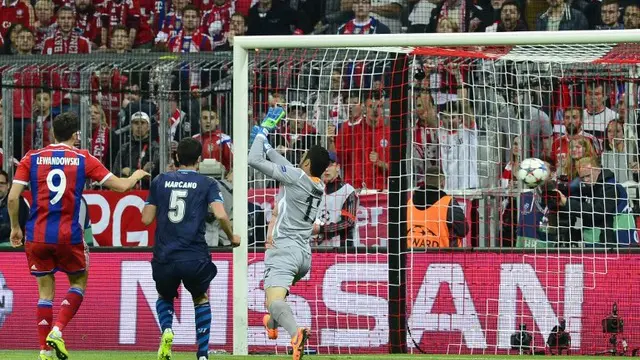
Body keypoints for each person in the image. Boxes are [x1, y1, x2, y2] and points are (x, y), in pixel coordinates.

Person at [7, 112, 150, 360]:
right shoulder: (83, 158)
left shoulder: (32, 157)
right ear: (76, 135)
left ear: (52, 134)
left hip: (37, 236)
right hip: (68, 236)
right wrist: (136, 176)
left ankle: (44, 350)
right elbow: (121, 186)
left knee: (44, 292)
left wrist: (15, 228)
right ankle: (58, 330)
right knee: (78, 282)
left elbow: (12, 197)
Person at [141, 138, 240, 360]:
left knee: (164, 296)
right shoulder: (208, 183)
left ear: (176, 158)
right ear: (199, 160)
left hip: (165, 255)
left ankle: (167, 330)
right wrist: (232, 236)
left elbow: (146, 219)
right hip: (194, 256)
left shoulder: (160, 180)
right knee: (200, 298)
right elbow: (221, 214)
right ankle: (202, 354)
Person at [247, 107, 330, 360]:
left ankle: (295, 334)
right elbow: (289, 169)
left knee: (273, 302)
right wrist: (270, 148)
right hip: (304, 255)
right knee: (274, 303)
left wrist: (262, 135)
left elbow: (253, 160)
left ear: (306, 163)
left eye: (302, 157)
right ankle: (272, 325)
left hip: (283, 250)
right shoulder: (319, 185)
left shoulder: (296, 178)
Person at [407, 167, 468, 248]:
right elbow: (463, 230)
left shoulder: (409, 203)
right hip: (443, 257)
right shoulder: (448, 203)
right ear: (442, 182)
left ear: (425, 181)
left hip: (414, 257)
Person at [314, 153, 359, 247]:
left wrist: (320, 229)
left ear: (338, 167)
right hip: (317, 248)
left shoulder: (348, 191)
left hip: (342, 250)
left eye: (329, 165)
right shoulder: (316, 190)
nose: (326, 169)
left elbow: (348, 222)